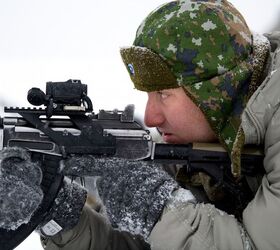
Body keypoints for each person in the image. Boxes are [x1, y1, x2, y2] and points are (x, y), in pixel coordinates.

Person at [1, 0, 280, 249]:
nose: (150, 118)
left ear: (214, 92)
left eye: (164, 94)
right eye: (148, 96)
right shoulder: (192, 147)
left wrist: (158, 207)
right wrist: (59, 211)